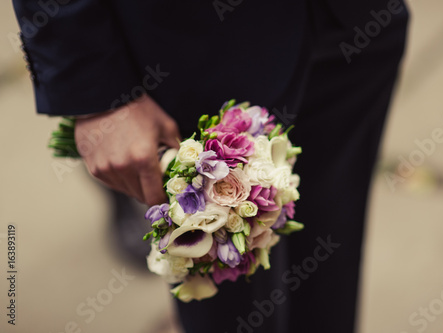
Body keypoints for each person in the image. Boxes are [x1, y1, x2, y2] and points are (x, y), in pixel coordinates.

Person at [12, 0, 409, 331]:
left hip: (353, 25)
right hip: (192, 51)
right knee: (235, 312)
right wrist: (98, 93)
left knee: (329, 268)